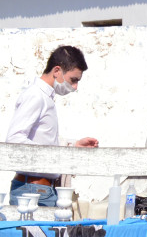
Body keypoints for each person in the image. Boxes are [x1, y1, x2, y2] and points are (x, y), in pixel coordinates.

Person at [6, 45, 99, 206]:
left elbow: (42, 140)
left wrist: (73, 145)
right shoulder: (36, 95)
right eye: (73, 80)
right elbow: (14, 140)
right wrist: (51, 157)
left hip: (38, 189)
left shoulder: (44, 97)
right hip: (33, 190)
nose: (75, 87)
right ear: (57, 71)